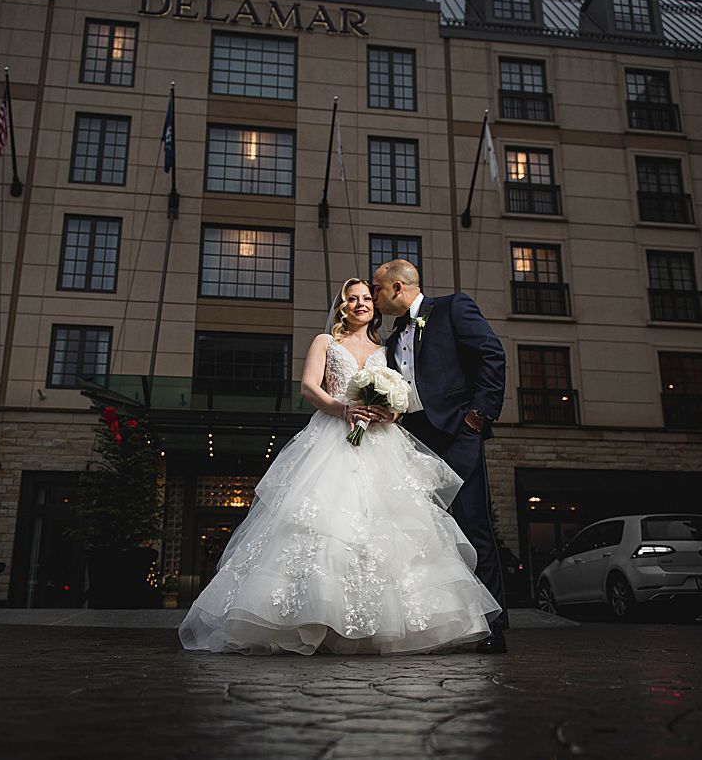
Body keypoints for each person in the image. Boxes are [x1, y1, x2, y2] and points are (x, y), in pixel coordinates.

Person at [179, 278, 501, 655]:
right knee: (325, 527)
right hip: (333, 437)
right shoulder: (325, 342)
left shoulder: (389, 347)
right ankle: (315, 617)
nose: (361, 303)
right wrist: (342, 408)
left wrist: (391, 412)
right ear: (342, 306)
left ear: (375, 305)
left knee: (389, 529)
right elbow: (309, 388)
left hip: (382, 444)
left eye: (367, 297)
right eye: (353, 298)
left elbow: (406, 395)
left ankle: (382, 625)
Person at [372, 260, 510, 653]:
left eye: (378, 291)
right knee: (426, 533)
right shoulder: (393, 335)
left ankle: (492, 625)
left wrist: (477, 418)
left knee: (472, 525)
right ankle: (447, 623)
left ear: (398, 287)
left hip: (457, 434)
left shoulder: (452, 309)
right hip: (411, 442)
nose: (376, 299)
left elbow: (491, 356)